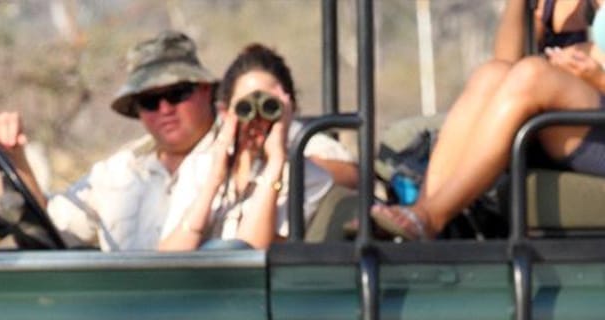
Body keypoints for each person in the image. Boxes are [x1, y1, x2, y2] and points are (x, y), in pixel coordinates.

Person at [371, 0, 605, 240]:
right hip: (561, 120)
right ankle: (421, 207)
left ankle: (431, 217)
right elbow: (508, 62)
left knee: (533, 74)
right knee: (491, 74)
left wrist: (597, 78)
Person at [0, 30, 220, 251]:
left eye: (177, 93)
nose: (165, 108)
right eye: (150, 100)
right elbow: (51, 230)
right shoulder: (118, 172)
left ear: (205, 90)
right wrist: (15, 159)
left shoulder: (239, 158)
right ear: (137, 108)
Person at [158, 43, 358, 251]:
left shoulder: (307, 177)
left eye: (269, 107)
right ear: (225, 112)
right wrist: (214, 180)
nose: (257, 120)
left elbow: (250, 250)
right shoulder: (200, 167)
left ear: (289, 111)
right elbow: (167, 259)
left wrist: (276, 164)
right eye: (245, 108)